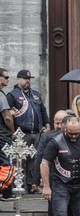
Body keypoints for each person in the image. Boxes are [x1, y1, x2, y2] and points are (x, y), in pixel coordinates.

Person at [6, 69, 50, 194]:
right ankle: (19, 186)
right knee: (19, 160)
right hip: (21, 133)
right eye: (25, 79)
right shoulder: (12, 95)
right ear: (18, 79)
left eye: (29, 79)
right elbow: (7, 114)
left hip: (36, 132)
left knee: (34, 160)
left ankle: (32, 185)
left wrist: (46, 125)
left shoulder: (35, 94)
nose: (27, 81)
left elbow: (42, 110)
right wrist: (12, 131)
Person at [41, 117, 80, 216]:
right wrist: (46, 187)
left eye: (76, 133)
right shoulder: (55, 141)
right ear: (64, 128)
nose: (74, 136)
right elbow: (44, 163)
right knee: (60, 213)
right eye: (70, 133)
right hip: (61, 184)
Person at [32, 110, 69, 215]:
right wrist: (35, 180)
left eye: (61, 123)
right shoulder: (47, 136)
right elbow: (39, 157)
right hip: (53, 177)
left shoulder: (76, 135)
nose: (58, 126)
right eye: (56, 123)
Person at [0, 68, 16, 201]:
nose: (7, 80)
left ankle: (6, 192)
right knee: (9, 163)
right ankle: (4, 190)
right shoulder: (1, 95)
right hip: (2, 134)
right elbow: (7, 118)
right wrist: (12, 131)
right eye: (5, 77)